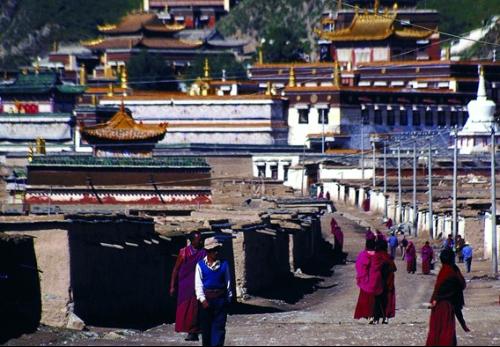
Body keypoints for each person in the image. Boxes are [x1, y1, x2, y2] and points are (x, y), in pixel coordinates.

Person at [426, 249, 470, 346]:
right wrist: (462, 322)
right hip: (446, 308)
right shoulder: (452, 273)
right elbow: (459, 289)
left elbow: (437, 292)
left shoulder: (444, 271)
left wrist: (433, 301)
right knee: (446, 335)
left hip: (437, 308)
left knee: (437, 333)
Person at [195, 237, 232, 347]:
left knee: (219, 328)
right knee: (206, 330)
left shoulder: (224, 265)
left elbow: (228, 282)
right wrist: (202, 300)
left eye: (217, 249)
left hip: (220, 300)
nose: (216, 252)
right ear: (207, 251)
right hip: (206, 301)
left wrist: (228, 299)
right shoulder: (200, 265)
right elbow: (198, 285)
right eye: (213, 250)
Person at [170, 231, 207, 342]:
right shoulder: (183, 252)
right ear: (192, 241)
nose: (201, 241)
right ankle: (189, 330)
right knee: (186, 308)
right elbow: (176, 269)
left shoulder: (204, 252)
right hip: (185, 284)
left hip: (198, 283)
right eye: (198, 239)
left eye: (201, 239)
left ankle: (194, 331)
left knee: (197, 308)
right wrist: (172, 285)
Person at [354, 239, 383, 324]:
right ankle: (374, 316)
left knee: (366, 300)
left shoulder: (363, 255)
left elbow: (359, 266)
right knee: (375, 300)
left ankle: (369, 316)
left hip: (366, 282)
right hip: (376, 281)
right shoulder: (378, 255)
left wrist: (362, 278)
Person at [374, 240, 397, 324]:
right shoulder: (388, 256)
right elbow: (394, 268)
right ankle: (385, 317)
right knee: (387, 300)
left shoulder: (376, 256)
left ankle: (376, 317)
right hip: (388, 281)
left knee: (377, 300)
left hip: (377, 282)